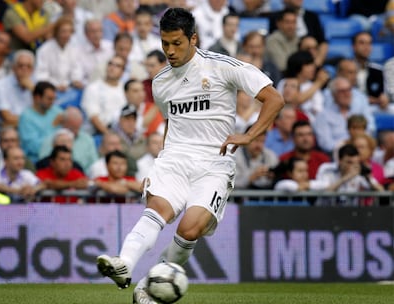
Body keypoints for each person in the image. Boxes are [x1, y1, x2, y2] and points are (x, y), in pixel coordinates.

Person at [96, 8, 284, 304]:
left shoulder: (222, 67)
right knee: (158, 209)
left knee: (189, 228)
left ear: (193, 38)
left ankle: (148, 285)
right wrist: (162, 160)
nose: (169, 51)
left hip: (214, 163)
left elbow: (274, 98)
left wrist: (249, 135)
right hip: (175, 157)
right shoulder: (160, 83)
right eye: (164, 43)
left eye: (176, 43)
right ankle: (124, 264)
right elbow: (172, 121)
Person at [18, 81, 63, 163]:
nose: (52, 102)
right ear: (37, 98)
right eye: (49, 99)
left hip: (60, 158)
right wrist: (53, 127)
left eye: (54, 99)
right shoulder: (26, 117)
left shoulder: (56, 111)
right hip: (38, 160)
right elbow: (34, 148)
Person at [0, 49, 35, 127]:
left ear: (32, 70)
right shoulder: (1, 85)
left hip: (31, 126)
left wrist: (34, 91)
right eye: (21, 66)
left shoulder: (36, 84)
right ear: (14, 68)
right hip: (10, 128)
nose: (24, 69)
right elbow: (7, 118)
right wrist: (35, 120)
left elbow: (46, 112)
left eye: (28, 66)